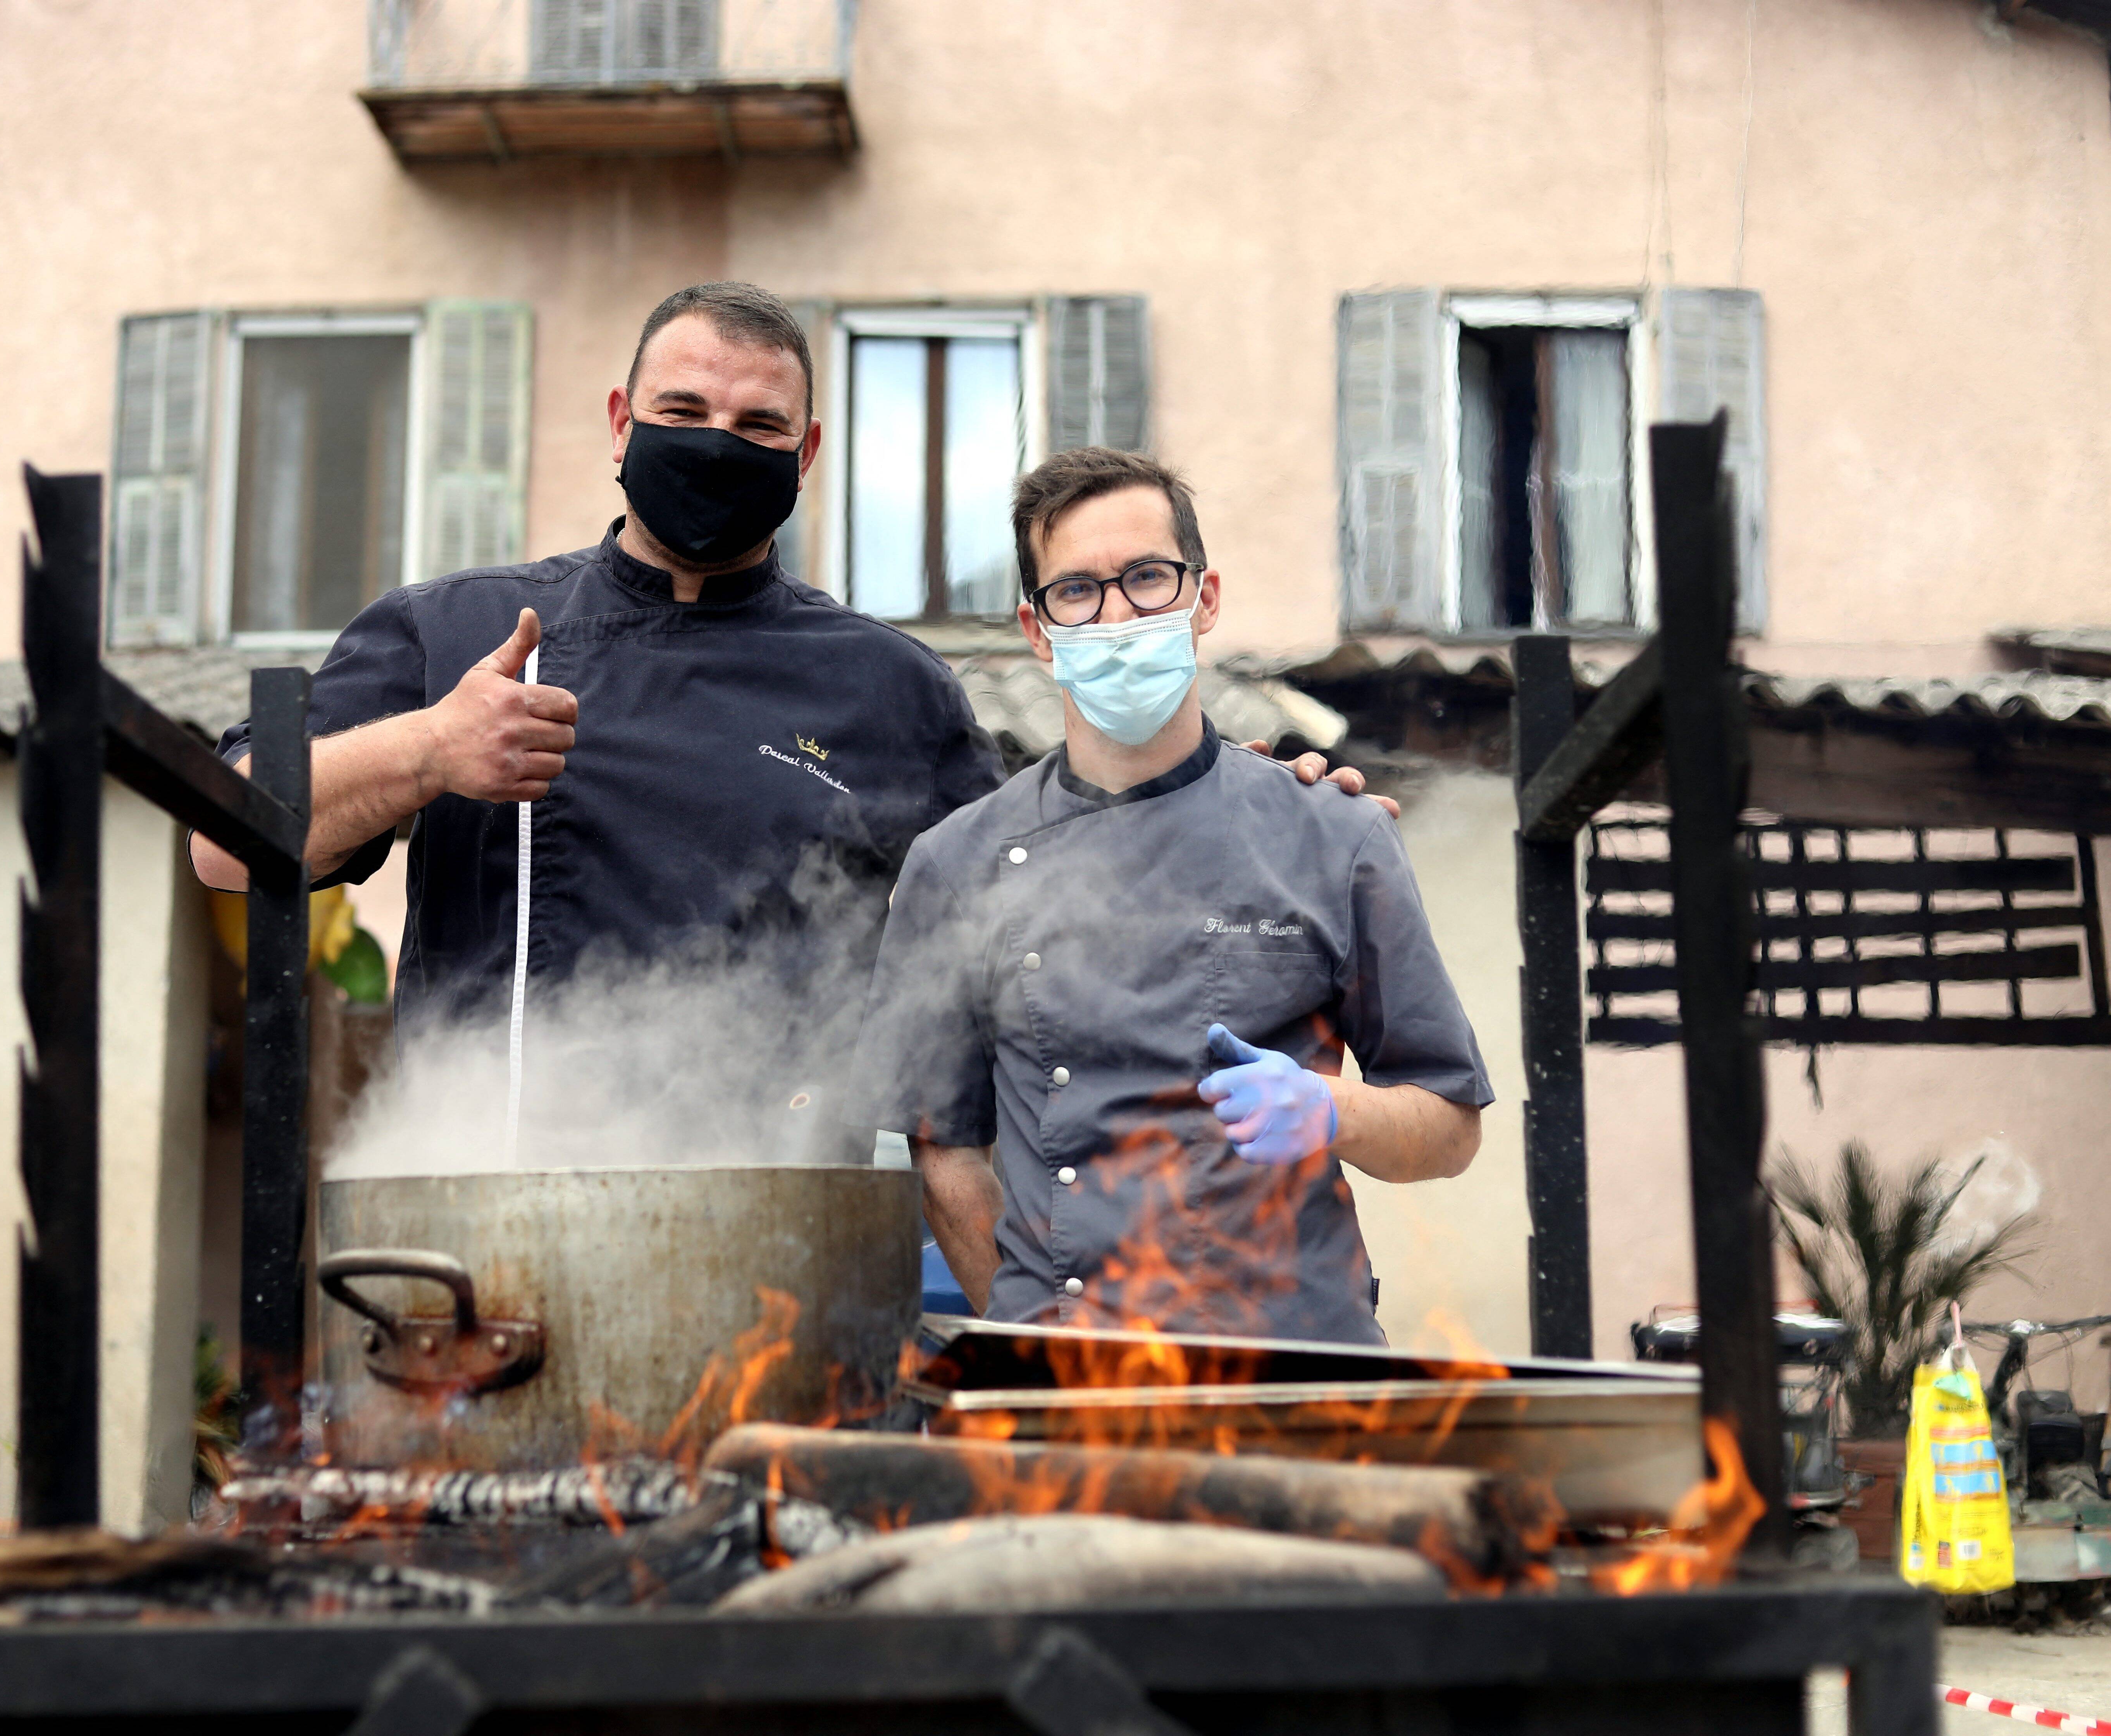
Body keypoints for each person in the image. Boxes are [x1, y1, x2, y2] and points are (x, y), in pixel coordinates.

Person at [194, 284, 1377, 1154]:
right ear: (620, 422)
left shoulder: (887, 687)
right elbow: (224, 844)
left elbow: (1036, 910)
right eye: (683, 408)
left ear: (806, 453)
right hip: (484, 1205)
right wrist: (428, 749)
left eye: (760, 427)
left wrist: (1247, 810)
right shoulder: (452, 630)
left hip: (781, 1230)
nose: (719, 445)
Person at [844, 447, 1490, 1343]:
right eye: (1078, 590)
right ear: (1038, 629)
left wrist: (1332, 1110)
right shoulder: (958, 865)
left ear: (1204, 597)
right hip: (1072, 1377)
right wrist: (1040, 1349)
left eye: (1148, 577)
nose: (1117, 615)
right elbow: (945, 1153)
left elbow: (1451, 1126)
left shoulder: (1336, 833)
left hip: (1302, 1370)